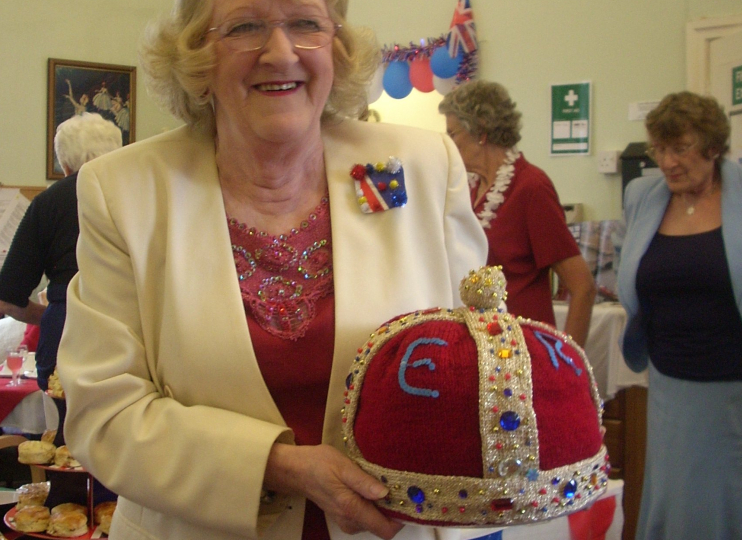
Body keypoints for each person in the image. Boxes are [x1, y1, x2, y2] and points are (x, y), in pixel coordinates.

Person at [56, 1, 487, 539]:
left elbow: (479, 364)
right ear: (197, 55)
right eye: (246, 26)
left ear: (337, 47)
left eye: (306, 24)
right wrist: (279, 465)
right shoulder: (124, 191)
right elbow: (106, 415)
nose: (280, 53)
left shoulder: (422, 167)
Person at [617, 91, 742, 540]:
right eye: (659, 149)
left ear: (713, 146)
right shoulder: (643, 195)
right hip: (673, 387)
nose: (667, 161)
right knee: (681, 507)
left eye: (679, 148)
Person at [438, 80, 595, 346]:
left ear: (480, 132)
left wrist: (570, 362)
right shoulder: (468, 188)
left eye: (452, 134)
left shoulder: (531, 187)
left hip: (524, 348)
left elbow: (583, 286)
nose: (448, 143)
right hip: (480, 345)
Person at [0, 112, 122, 390]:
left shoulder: (48, 202)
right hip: (130, 336)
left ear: (64, 164)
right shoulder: (142, 192)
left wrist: (53, 312)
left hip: (66, 340)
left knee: (65, 430)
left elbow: (5, 301)